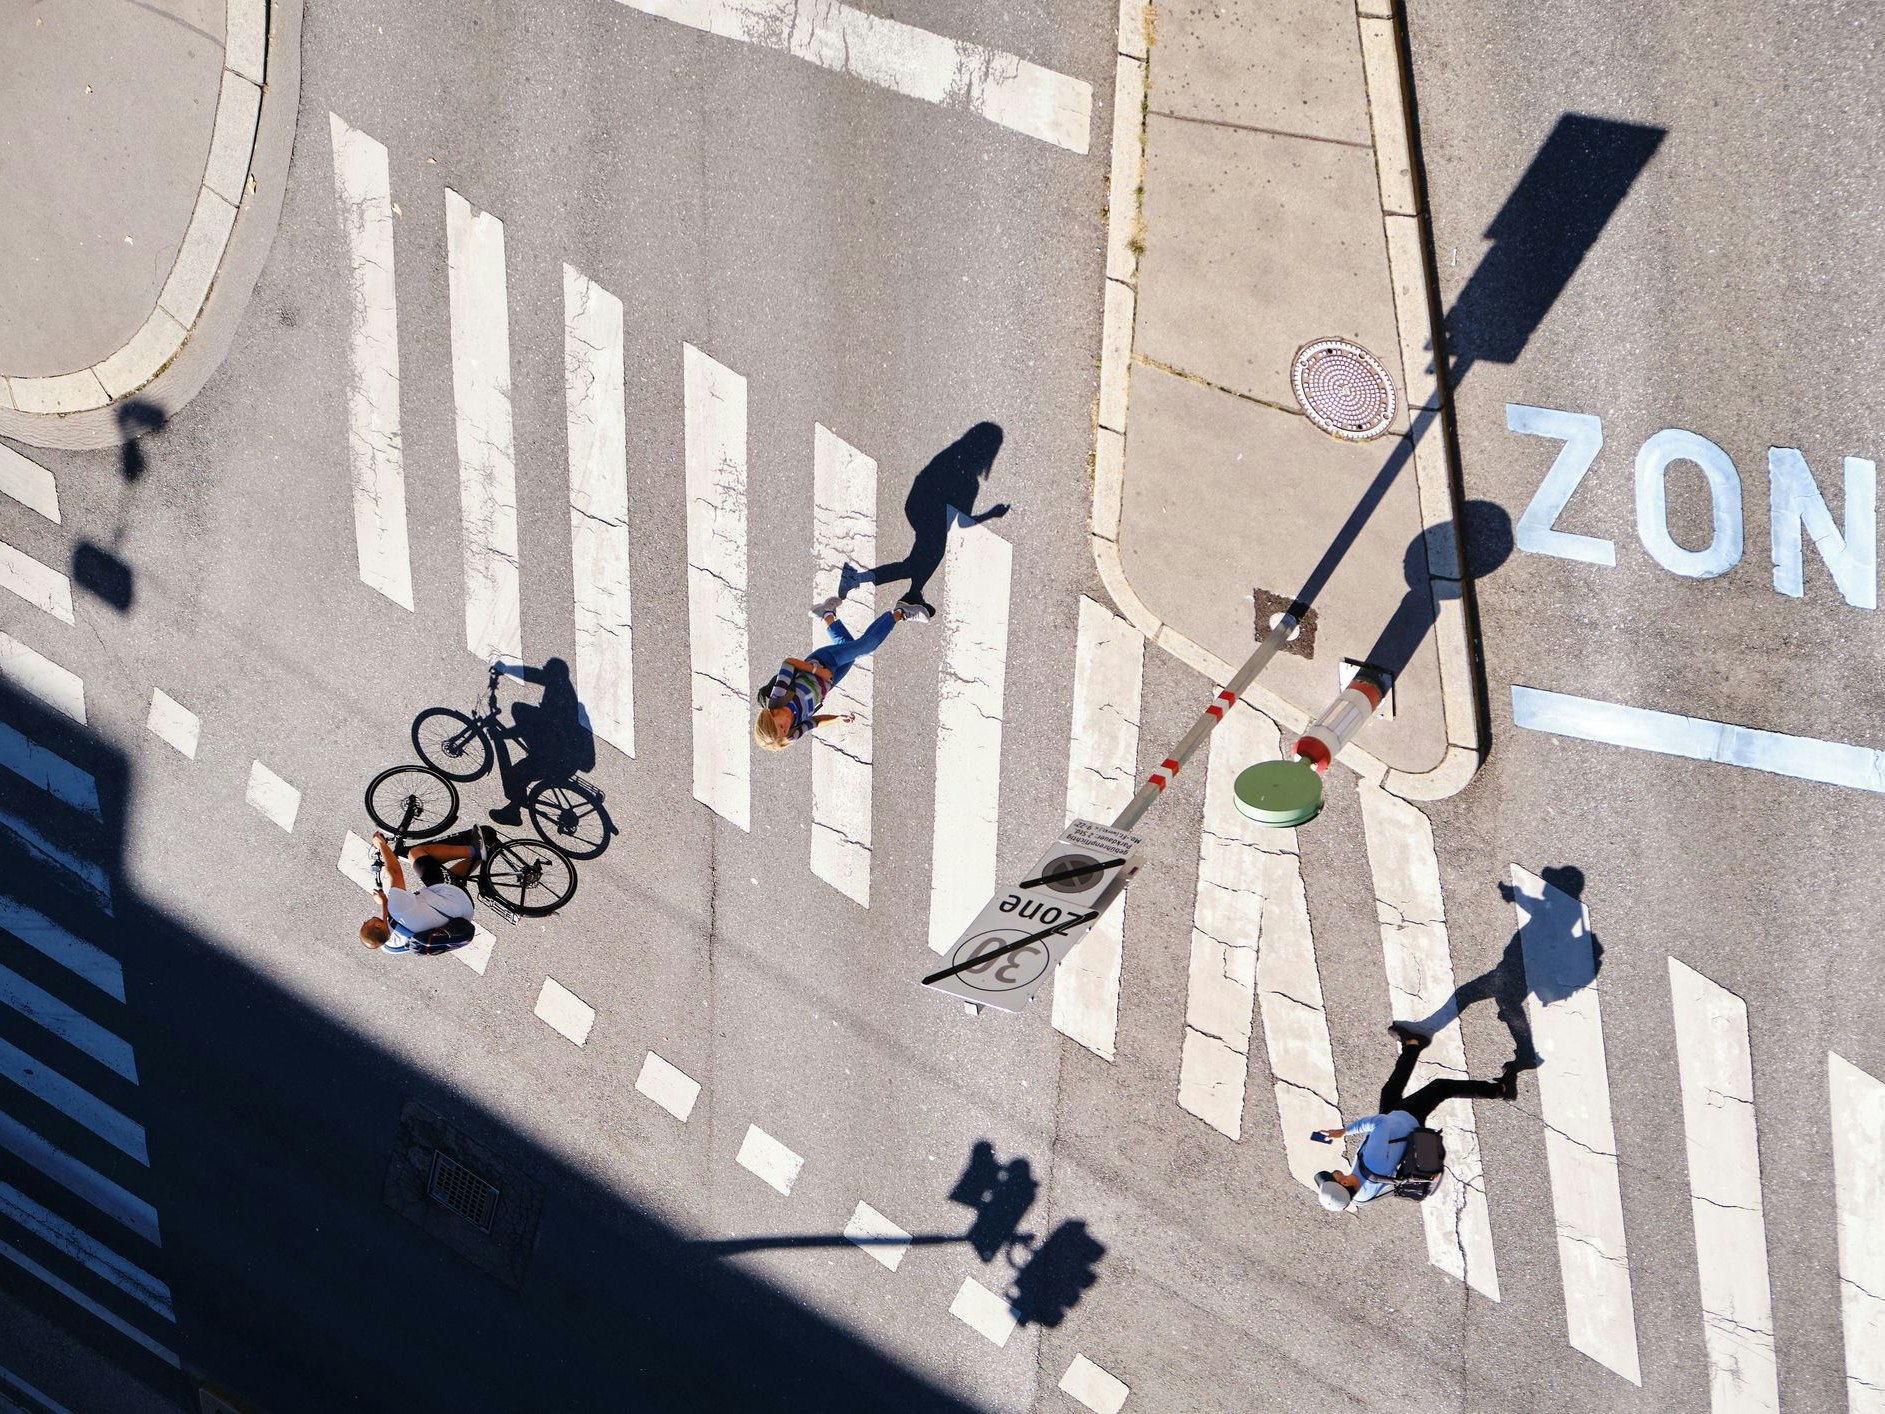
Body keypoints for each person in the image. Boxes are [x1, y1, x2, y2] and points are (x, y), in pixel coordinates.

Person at [1313, 1023, 1521, 1212]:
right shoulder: (1372, 1162)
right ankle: (1501, 1089)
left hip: (1392, 1133)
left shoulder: (1359, 1197)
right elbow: (1379, 1123)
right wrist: (1344, 1131)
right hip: (1404, 1120)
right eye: (1332, 1179)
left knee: (1390, 1091)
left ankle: (1412, 1045)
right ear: (1344, 1184)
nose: (1331, 1174)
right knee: (1441, 1087)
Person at [754, 597, 927, 751]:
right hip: (829, 681)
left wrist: (817, 671)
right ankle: (826, 614)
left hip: (821, 662)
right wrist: (837, 719)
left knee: (867, 646)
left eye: (781, 727)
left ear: (772, 716)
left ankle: (900, 611)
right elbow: (814, 723)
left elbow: (788, 663)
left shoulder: (779, 696)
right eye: (783, 733)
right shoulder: (790, 735)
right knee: (850, 644)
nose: (786, 729)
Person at [361, 827, 494, 954]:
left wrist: (384, 902)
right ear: (378, 926)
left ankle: (487, 851)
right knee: (415, 854)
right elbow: (395, 872)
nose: (365, 921)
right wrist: (381, 845)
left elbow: (389, 926)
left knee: (448, 877)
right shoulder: (397, 909)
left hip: (460, 919)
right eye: (366, 923)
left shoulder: (391, 947)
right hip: (455, 899)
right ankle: (474, 850)